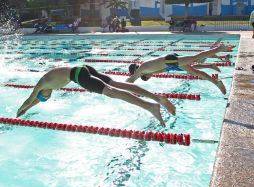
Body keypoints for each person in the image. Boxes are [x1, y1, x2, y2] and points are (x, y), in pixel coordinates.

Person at [16, 65, 176, 127]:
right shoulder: (47, 85)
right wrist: (28, 109)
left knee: (111, 92)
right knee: (116, 85)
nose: (47, 97)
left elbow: (30, 99)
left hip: (78, 75)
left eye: (44, 97)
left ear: (42, 93)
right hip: (84, 68)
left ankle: (151, 106)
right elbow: (35, 101)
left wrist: (20, 111)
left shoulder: (41, 85)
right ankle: (155, 97)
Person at [126, 44, 234, 95]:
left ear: (136, 71)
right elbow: (164, 69)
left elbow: (129, 81)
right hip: (169, 64)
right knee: (195, 71)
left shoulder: (142, 68)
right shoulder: (148, 71)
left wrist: (131, 92)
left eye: (146, 77)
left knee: (195, 58)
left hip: (169, 60)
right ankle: (217, 83)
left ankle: (219, 48)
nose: (149, 77)